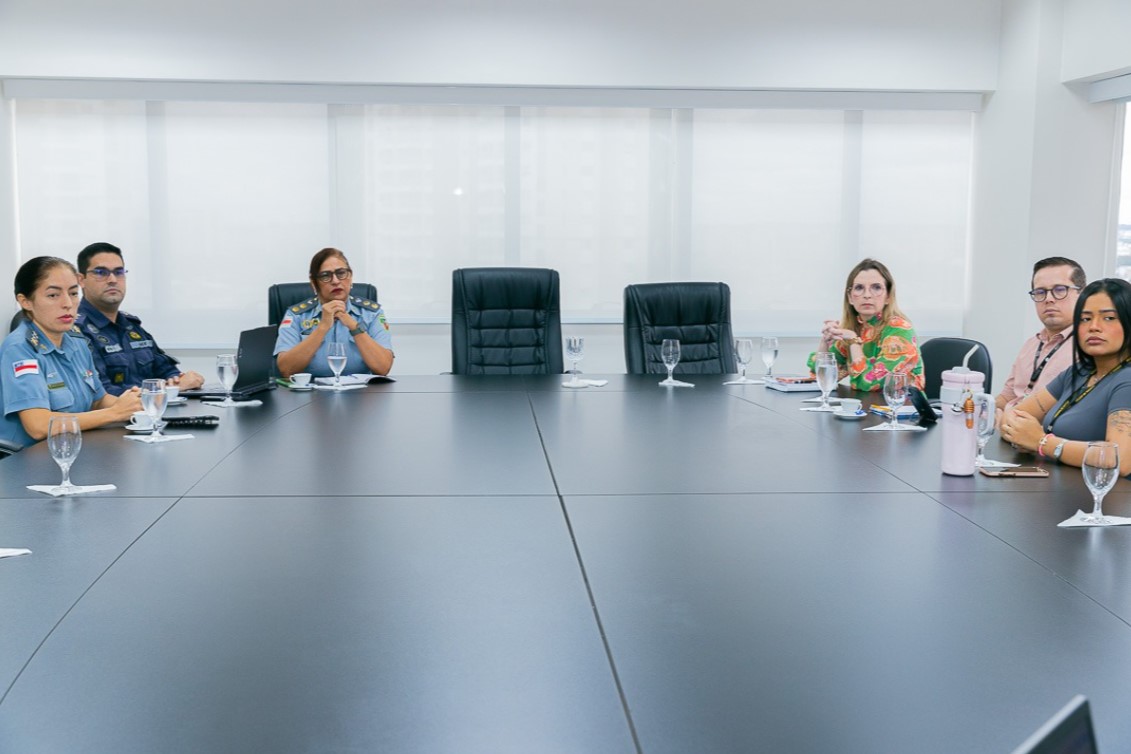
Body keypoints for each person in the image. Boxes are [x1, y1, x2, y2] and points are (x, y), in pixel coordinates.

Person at [0, 257, 143, 449]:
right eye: (53, 295)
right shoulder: (20, 349)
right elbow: (38, 426)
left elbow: (98, 400)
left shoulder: (77, 341)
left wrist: (132, 406)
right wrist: (115, 413)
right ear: (25, 301)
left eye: (74, 293)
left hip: (75, 447)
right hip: (30, 459)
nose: (68, 303)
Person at [1001, 278, 1131, 474]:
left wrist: (1041, 442)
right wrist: (1021, 434)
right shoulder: (1079, 372)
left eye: (1109, 318)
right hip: (1057, 484)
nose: (1094, 326)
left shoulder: (1127, 379)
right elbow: (1013, 417)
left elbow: (1119, 459)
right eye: (1085, 319)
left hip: (1101, 492)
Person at [75, 242, 205, 394]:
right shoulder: (75, 330)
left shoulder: (131, 326)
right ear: (81, 280)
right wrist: (170, 389)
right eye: (101, 272)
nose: (112, 279)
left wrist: (179, 380)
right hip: (122, 410)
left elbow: (166, 370)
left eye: (119, 272)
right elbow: (101, 394)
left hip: (154, 407)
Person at [806, 258, 924, 391]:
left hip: (901, 403)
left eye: (876, 287)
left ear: (888, 297)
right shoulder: (854, 328)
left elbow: (869, 383)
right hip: (865, 403)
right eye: (859, 288)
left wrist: (854, 341)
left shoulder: (900, 330)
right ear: (850, 297)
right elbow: (822, 377)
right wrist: (825, 341)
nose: (867, 295)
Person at [274, 248, 394, 379]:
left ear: (350, 277)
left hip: (361, 390)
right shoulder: (296, 315)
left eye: (341, 273)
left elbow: (383, 368)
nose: (335, 281)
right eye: (326, 276)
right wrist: (322, 327)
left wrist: (354, 326)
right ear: (314, 283)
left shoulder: (371, 313)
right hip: (312, 389)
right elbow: (286, 369)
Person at [995, 256, 1084, 418]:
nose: (1048, 299)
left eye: (1060, 290)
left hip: (1037, 429)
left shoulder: (1087, 347)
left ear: (1082, 294)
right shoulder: (1031, 344)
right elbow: (1007, 396)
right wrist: (982, 409)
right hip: (1007, 425)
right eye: (1040, 292)